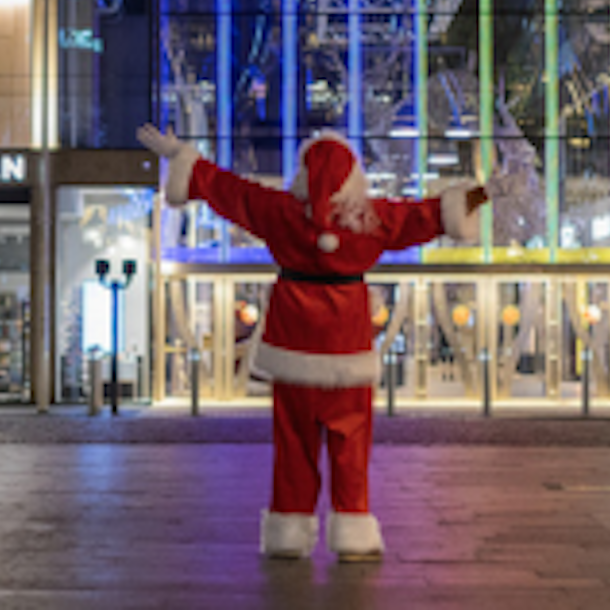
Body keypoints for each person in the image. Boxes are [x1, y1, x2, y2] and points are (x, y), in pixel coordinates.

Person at [137, 124, 493, 562]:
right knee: (352, 446)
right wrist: (480, 193)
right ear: (353, 178)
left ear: (303, 173)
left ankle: (288, 529)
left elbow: (231, 191)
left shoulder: (280, 212)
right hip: (347, 350)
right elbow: (426, 215)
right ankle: (353, 531)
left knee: (293, 445)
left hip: (294, 350)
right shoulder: (371, 218)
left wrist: (183, 157)